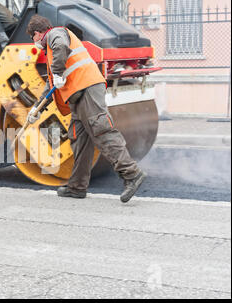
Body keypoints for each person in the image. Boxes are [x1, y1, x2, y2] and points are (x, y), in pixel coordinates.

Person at [26, 15, 147, 203]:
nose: (34, 43)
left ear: (37, 33)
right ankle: (77, 187)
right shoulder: (51, 51)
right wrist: (37, 109)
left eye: (33, 38)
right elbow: (51, 85)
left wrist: (57, 73)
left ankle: (131, 174)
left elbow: (60, 48)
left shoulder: (55, 35)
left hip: (87, 89)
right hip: (78, 96)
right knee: (79, 139)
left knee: (101, 129)